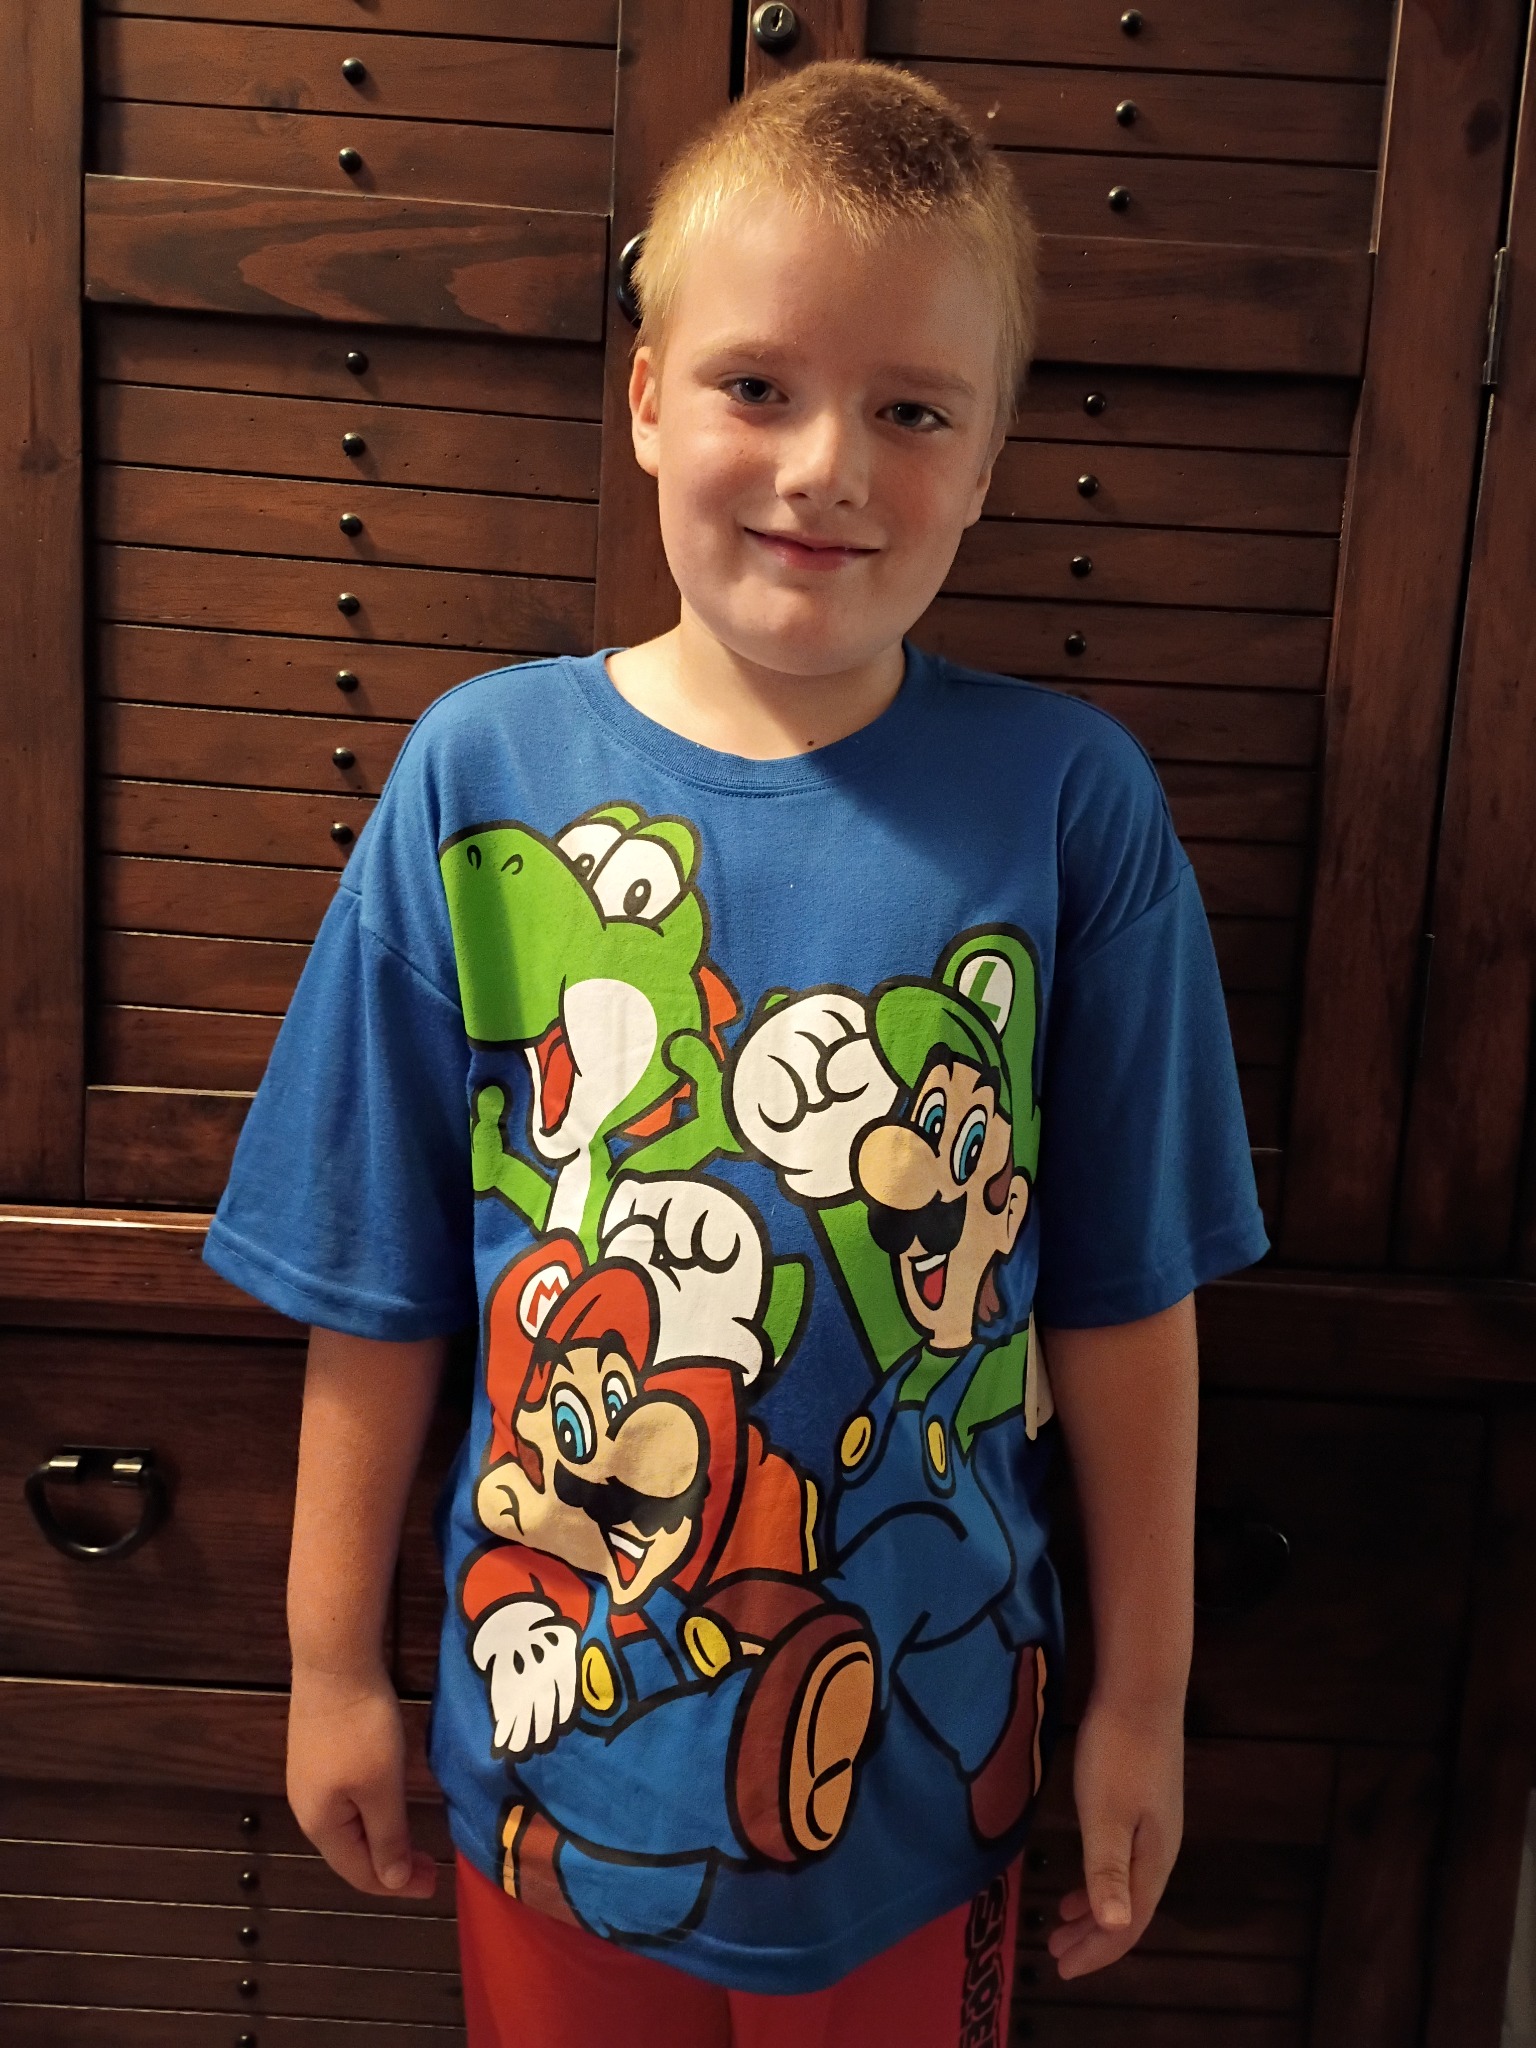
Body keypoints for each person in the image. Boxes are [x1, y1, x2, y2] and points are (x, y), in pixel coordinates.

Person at [202, 58, 1268, 2048]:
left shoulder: (1072, 807)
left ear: (992, 451)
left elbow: (1130, 1298)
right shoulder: (478, 782)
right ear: (644, 400)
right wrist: (326, 1663)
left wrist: (1146, 1699)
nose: (826, 467)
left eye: (913, 410)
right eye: (758, 385)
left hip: (925, 1795)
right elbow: (373, 1280)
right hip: (549, 1769)